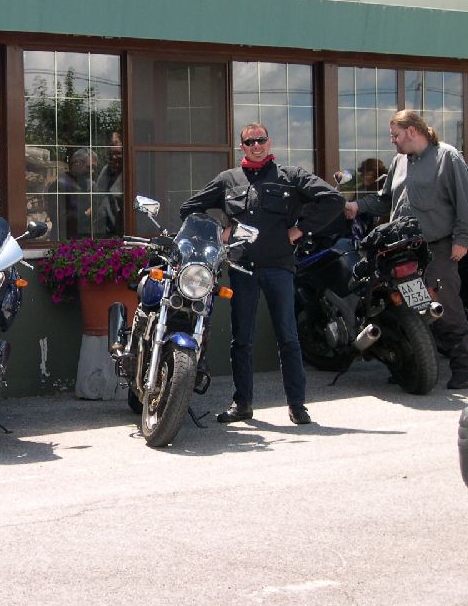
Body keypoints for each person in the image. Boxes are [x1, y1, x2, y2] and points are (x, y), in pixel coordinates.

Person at [180, 123, 344, 425]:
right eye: (250, 142)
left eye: (261, 140)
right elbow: (189, 209)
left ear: (269, 143)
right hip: (242, 268)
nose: (256, 145)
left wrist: (300, 230)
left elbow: (333, 200)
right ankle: (242, 404)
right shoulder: (228, 180)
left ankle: (297, 405)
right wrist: (221, 231)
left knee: (288, 337)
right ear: (242, 146)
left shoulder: (290, 176)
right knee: (241, 339)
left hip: (279, 267)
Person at [345, 109, 468, 390]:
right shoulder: (399, 161)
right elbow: (385, 200)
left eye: (395, 135)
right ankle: (411, 365)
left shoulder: (447, 157)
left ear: (412, 131)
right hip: (401, 251)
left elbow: (465, 201)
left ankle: (463, 366)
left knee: (445, 308)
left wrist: (463, 239)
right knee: (406, 309)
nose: (393, 141)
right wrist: (356, 205)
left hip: (437, 249)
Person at [47, 147, 97, 240]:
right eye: (89, 167)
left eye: (94, 168)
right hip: (65, 240)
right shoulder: (60, 184)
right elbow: (56, 217)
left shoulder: (89, 184)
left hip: (85, 238)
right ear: (77, 163)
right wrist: (86, 213)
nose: (92, 171)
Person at [95, 131, 124, 236]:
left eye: (118, 153)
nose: (114, 157)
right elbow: (97, 197)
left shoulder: (130, 173)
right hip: (103, 231)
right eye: (110, 153)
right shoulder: (105, 171)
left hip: (122, 231)